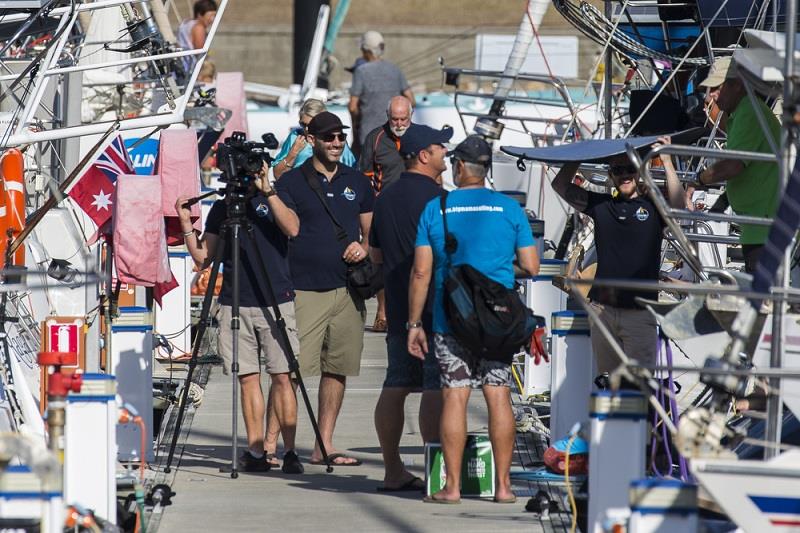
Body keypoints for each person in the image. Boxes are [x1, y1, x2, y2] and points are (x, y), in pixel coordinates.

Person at [408, 135, 539, 504]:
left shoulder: (438, 209)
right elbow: (530, 266)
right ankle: (504, 487)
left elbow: (420, 273)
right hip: (498, 323)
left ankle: (451, 487)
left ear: (460, 167)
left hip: (452, 322)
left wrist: (414, 324)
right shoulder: (510, 210)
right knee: (499, 397)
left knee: (455, 396)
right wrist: (496, 271)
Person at [175, 163, 304, 474]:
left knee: (283, 376)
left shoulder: (278, 196)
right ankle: (256, 451)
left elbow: (293, 228)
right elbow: (204, 258)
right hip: (236, 302)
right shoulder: (223, 208)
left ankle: (289, 453)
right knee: (247, 379)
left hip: (276, 301)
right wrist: (185, 222)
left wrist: (267, 189)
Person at [274, 112, 374, 466]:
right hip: (303, 289)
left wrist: (364, 248)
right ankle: (271, 446)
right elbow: (286, 227)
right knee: (287, 371)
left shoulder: (358, 181)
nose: (336, 143)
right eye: (328, 137)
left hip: (348, 291)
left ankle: (324, 444)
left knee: (337, 368)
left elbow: (370, 233)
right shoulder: (293, 183)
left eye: (340, 137)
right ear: (311, 140)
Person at [551, 138, 685, 377]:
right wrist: (580, 154)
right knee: (607, 383)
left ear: (639, 172)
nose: (624, 175)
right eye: (617, 170)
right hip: (603, 310)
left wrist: (666, 159)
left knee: (641, 387)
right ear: (611, 175)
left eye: (630, 169)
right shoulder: (602, 205)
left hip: (640, 311)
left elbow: (680, 208)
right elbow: (560, 185)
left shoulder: (654, 208)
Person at [369, 124, 451, 491]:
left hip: (400, 308)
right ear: (423, 155)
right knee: (435, 386)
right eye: (440, 147)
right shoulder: (442, 199)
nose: (445, 153)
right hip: (436, 309)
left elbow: (375, 255)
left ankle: (391, 469)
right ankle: (436, 477)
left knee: (397, 383)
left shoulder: (384, 198)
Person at [697, 56, 780, 273]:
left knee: (761, 300)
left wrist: (699, 180)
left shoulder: (749, 112)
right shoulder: (743, 113)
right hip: (758, 223)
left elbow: (733, 166)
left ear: (737, 85)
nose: (711, 96)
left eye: (716, 88)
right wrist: (723, 200)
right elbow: (748, 166)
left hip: (764, 226)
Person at [359, 95, 414, 332]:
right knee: (382, 264)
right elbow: (365, 179)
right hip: (384, 211)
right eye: (395, 119)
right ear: (387, 117)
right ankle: (382, 312)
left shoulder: (421, 136)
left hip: (414, 211)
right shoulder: (375, 138)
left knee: (415, 262)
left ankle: (412, 313)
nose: (399, 124)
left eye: (403, 119)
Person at [348, 31, 415, 153]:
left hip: (368, 136)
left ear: (366, 50)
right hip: (394, 136)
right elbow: (411, 100)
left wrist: (358, 121)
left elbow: (353, 107)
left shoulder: (361, 71)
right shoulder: (395, 70)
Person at [272, 99, 356, 179]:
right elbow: (278, 175)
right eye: (303, 124)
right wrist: (293, 153)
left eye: (312, 124)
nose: (307, 129)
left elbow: (352, 172)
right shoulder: (295, 137)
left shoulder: (335, 141)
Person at [177, 0, 217, 71]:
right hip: (189, 69)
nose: (212, 19)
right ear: (199, 15)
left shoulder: (186, 23)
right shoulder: (199, 27)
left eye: (214, 16)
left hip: (180, 64)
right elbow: (200, 52)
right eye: (210, 16)